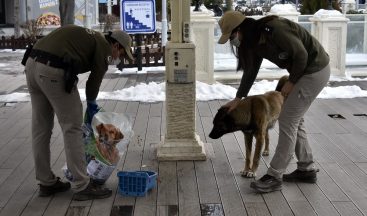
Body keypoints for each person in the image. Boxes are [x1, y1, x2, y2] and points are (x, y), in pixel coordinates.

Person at [217, 11, 330, 193]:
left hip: (314, 70)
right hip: (304, 72)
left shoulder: (274, 30)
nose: (232, 41)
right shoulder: (254, 41)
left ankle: (275, 175)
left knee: (287, 120)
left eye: (231, 36)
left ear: (239, 30)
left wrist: (292, 81)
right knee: (295, 119)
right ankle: (306, 169)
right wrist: (238, 98)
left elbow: (301, 54)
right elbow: (250, 71)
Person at [24, 25, 133, 200]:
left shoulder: (92, 38)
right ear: (116, 46)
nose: (118, 58)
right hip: (53, 70)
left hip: (31, 64)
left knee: (41, 128)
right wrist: (91, 103)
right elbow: (94, 82)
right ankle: (82, 185)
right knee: (73, 128)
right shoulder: (104, 47)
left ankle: (46, 182)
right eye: (121, 54)